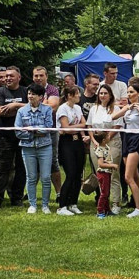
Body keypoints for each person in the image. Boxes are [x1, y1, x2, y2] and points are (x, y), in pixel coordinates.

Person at [112, 81, 139, 218]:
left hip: (136, 139)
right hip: (126, 138)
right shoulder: (128, 108)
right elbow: (112, 118)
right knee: (135, 176)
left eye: (132, 92)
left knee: (128, 177)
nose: (129, 94)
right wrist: (124, 110)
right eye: (128, 92)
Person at [0, 67, 25, 210]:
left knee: (21, 169)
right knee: (2, 168)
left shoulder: (25, 91)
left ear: (18, 77)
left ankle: (17, 198)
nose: (8, 78)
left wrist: (15, 105)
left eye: (11, 76)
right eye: (6, 76)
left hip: (22, 137)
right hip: (4, 137)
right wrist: (21, 111)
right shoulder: (0, 92)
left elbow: (33, 107)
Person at [16, 82, 55, 214]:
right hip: (27, 148)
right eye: (29, 93)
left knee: (45, 177)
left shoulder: (47, 110)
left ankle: (45, 205)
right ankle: (32, 204)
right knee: (31, 177)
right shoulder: (21, 111)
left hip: (45, 147)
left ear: (41, 97)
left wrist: (32, 130)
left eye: (33, 94)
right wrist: (35, 132)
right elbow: (18, 131)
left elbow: (48, 127)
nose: (30, 96)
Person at [86, 84, 123, 213]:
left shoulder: (116, 108)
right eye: (100, 93)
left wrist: (106, 139)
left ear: (110, 95)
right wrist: (94, 140)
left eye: (105, 93)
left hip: (112, 143)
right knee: (100, 174)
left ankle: (116, 203)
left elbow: (117, 126)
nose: (102, 96)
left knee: (113, 174)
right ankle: (104, 203)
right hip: (96, 144)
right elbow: (89, 125)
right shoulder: (93, 109)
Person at [54, 86, 87, 216]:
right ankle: (62, 206)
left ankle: (73, 203)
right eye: (77, 94)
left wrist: (78, 129)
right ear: (69, 95)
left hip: (77, 141)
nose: (79, 96)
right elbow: (65, 128)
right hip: (66, 143)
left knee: (78, 174)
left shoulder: (78, 108)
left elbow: (84, 123)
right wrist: (76, 127)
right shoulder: (63, 108)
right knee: (71, 173)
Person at [90, 131, 119, 219]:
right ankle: (100, 211)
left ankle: (107, 210)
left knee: (107, 192)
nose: (109, 136)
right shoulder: (100, 149)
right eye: (107, 136)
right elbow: (101, 164)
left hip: (107, 172)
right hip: (103, 173)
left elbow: (105, 160)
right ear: (103, 140)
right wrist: (112, 165)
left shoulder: (106, 147)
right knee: (104, 193)